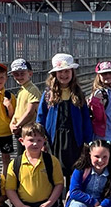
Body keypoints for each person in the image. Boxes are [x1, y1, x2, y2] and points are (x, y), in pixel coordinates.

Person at [37, 53, 92, 188]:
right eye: (60, 72)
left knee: (74, 170)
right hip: (55, 138)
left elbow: (86, 118)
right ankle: (57, 202)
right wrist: (42, 139)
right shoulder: (48, 94)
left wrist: (87, 140)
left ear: (72, 72)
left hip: (74, 138)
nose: (64, 75)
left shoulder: (78, 93)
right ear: (55, 74)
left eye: (67, 71)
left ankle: (71, 196)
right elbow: (41, 117)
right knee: (55, 170)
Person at [5, 123, 64, 207]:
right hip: (24, 204)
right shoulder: (15, 163)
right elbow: (10, 189)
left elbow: (59, 184)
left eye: (39, 140)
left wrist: (48, 203)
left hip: (45, 204)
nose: (35, 143)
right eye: (31, 140)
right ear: (22, 141)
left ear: (44, 141)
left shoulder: (51, 161)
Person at [9, 58, 41, 155]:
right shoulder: (23, 90)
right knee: (22, 154)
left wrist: (17, 125)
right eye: (16, 74)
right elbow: (18, 110)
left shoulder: (32, 89)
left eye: (22, 73)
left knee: (28, 154)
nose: (19, 77)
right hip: (21, 129)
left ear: (30, 74)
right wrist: (12, 123)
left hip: (28, 130)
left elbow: (30, 112)